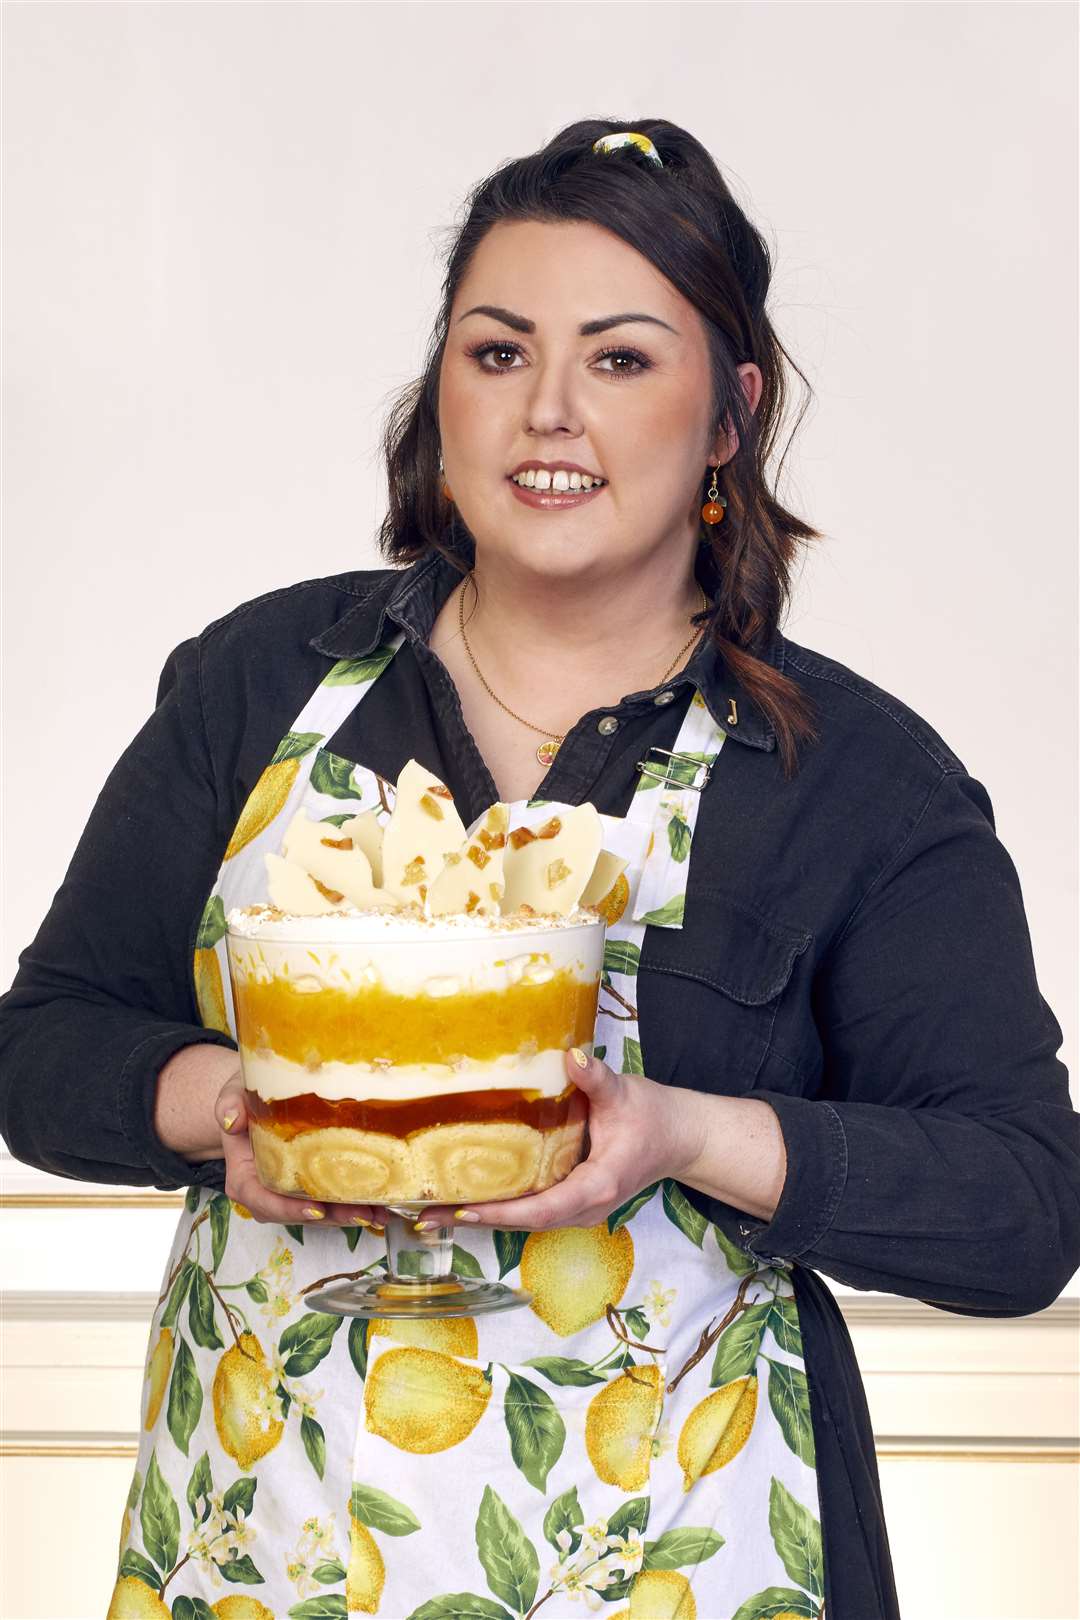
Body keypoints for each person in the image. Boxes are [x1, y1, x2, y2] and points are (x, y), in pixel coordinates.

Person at [1, 117, 1077, 1620]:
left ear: (727, 415)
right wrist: (235, 1104)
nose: (548, 412)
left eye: (622, 359)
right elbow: (44, 1046)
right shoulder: (257, 685)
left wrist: (677, 1133)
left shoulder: (851, 778)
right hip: (262, 1545)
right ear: (441, 390)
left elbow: (1024, 1206)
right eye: (498, 353)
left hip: (688, 1561)